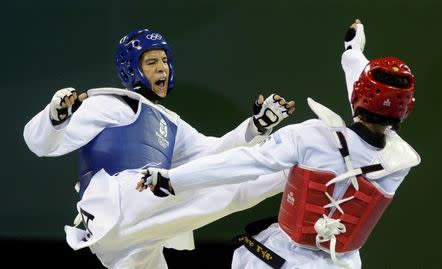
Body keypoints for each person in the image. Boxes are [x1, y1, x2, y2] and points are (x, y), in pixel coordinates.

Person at [137, 20, 421, 269]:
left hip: (274, 258)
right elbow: (372, 110)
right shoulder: (400, 162)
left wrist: (175, 179)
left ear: (359, 94)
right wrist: (352, 54)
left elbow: (240, 164)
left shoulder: (311, 137)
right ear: (406, 110)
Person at [23, 28, 295, 268]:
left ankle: (299, 163)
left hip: (126, 238)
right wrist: (55, 116)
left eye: (164, 60)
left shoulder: (171, 122)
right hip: (122, 201)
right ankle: (306, 158)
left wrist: (257, 126)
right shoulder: (112, 103)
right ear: (131, 69)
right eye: (152, 62)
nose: (162, 68)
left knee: (224, 177)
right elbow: (40, 144)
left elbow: (215, 154)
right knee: (232, 187)